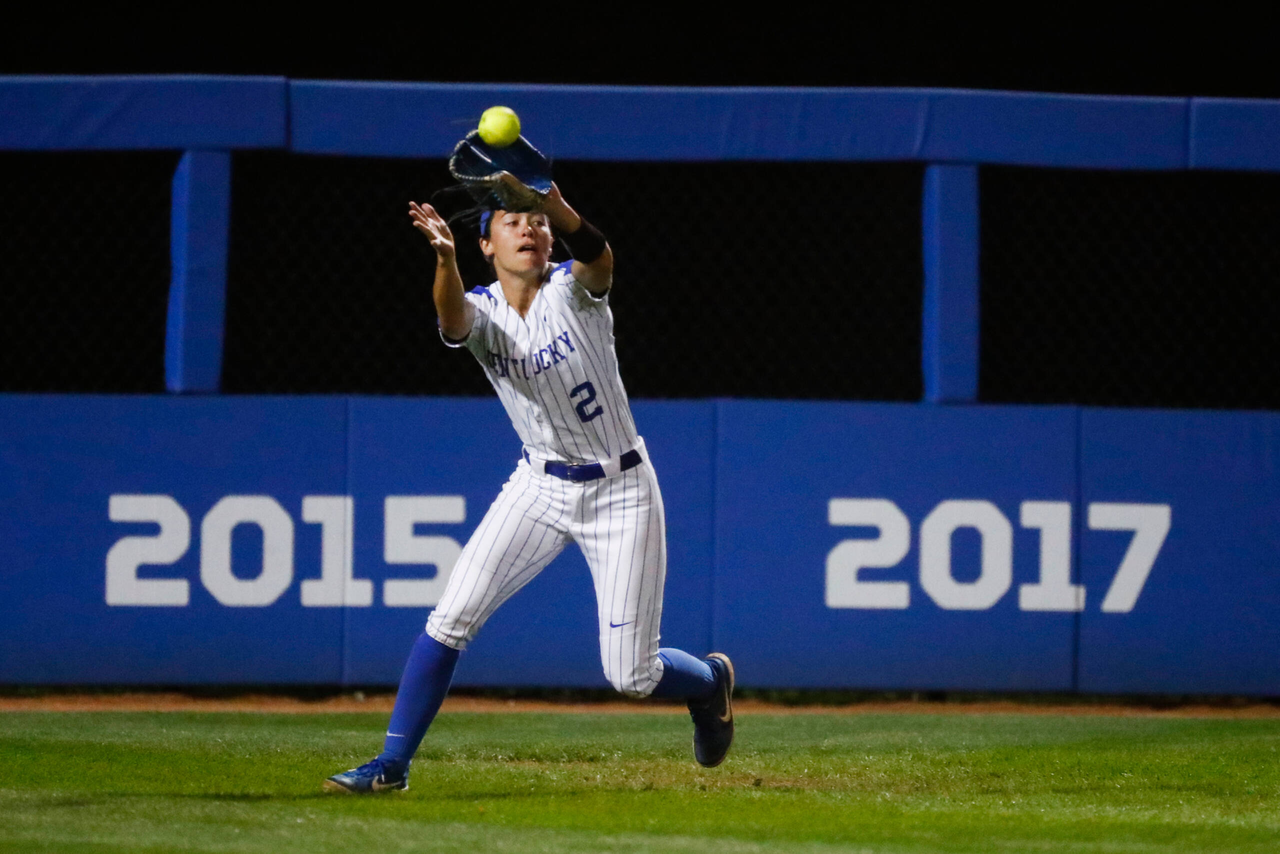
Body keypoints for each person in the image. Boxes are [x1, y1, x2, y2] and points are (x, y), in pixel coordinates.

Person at [324, 177, 734, 794]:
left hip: (621, 489)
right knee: (450, 619)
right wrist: (444, 261)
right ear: (486, 245)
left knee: (632, 675)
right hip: (539, 486)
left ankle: (707, 682)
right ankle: (391, 766)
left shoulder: (574, 289)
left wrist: (555, 205)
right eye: (512, 222)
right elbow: (451, 319)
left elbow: (599, 256)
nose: (529, 229)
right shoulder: (483, 309)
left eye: (535, 222)